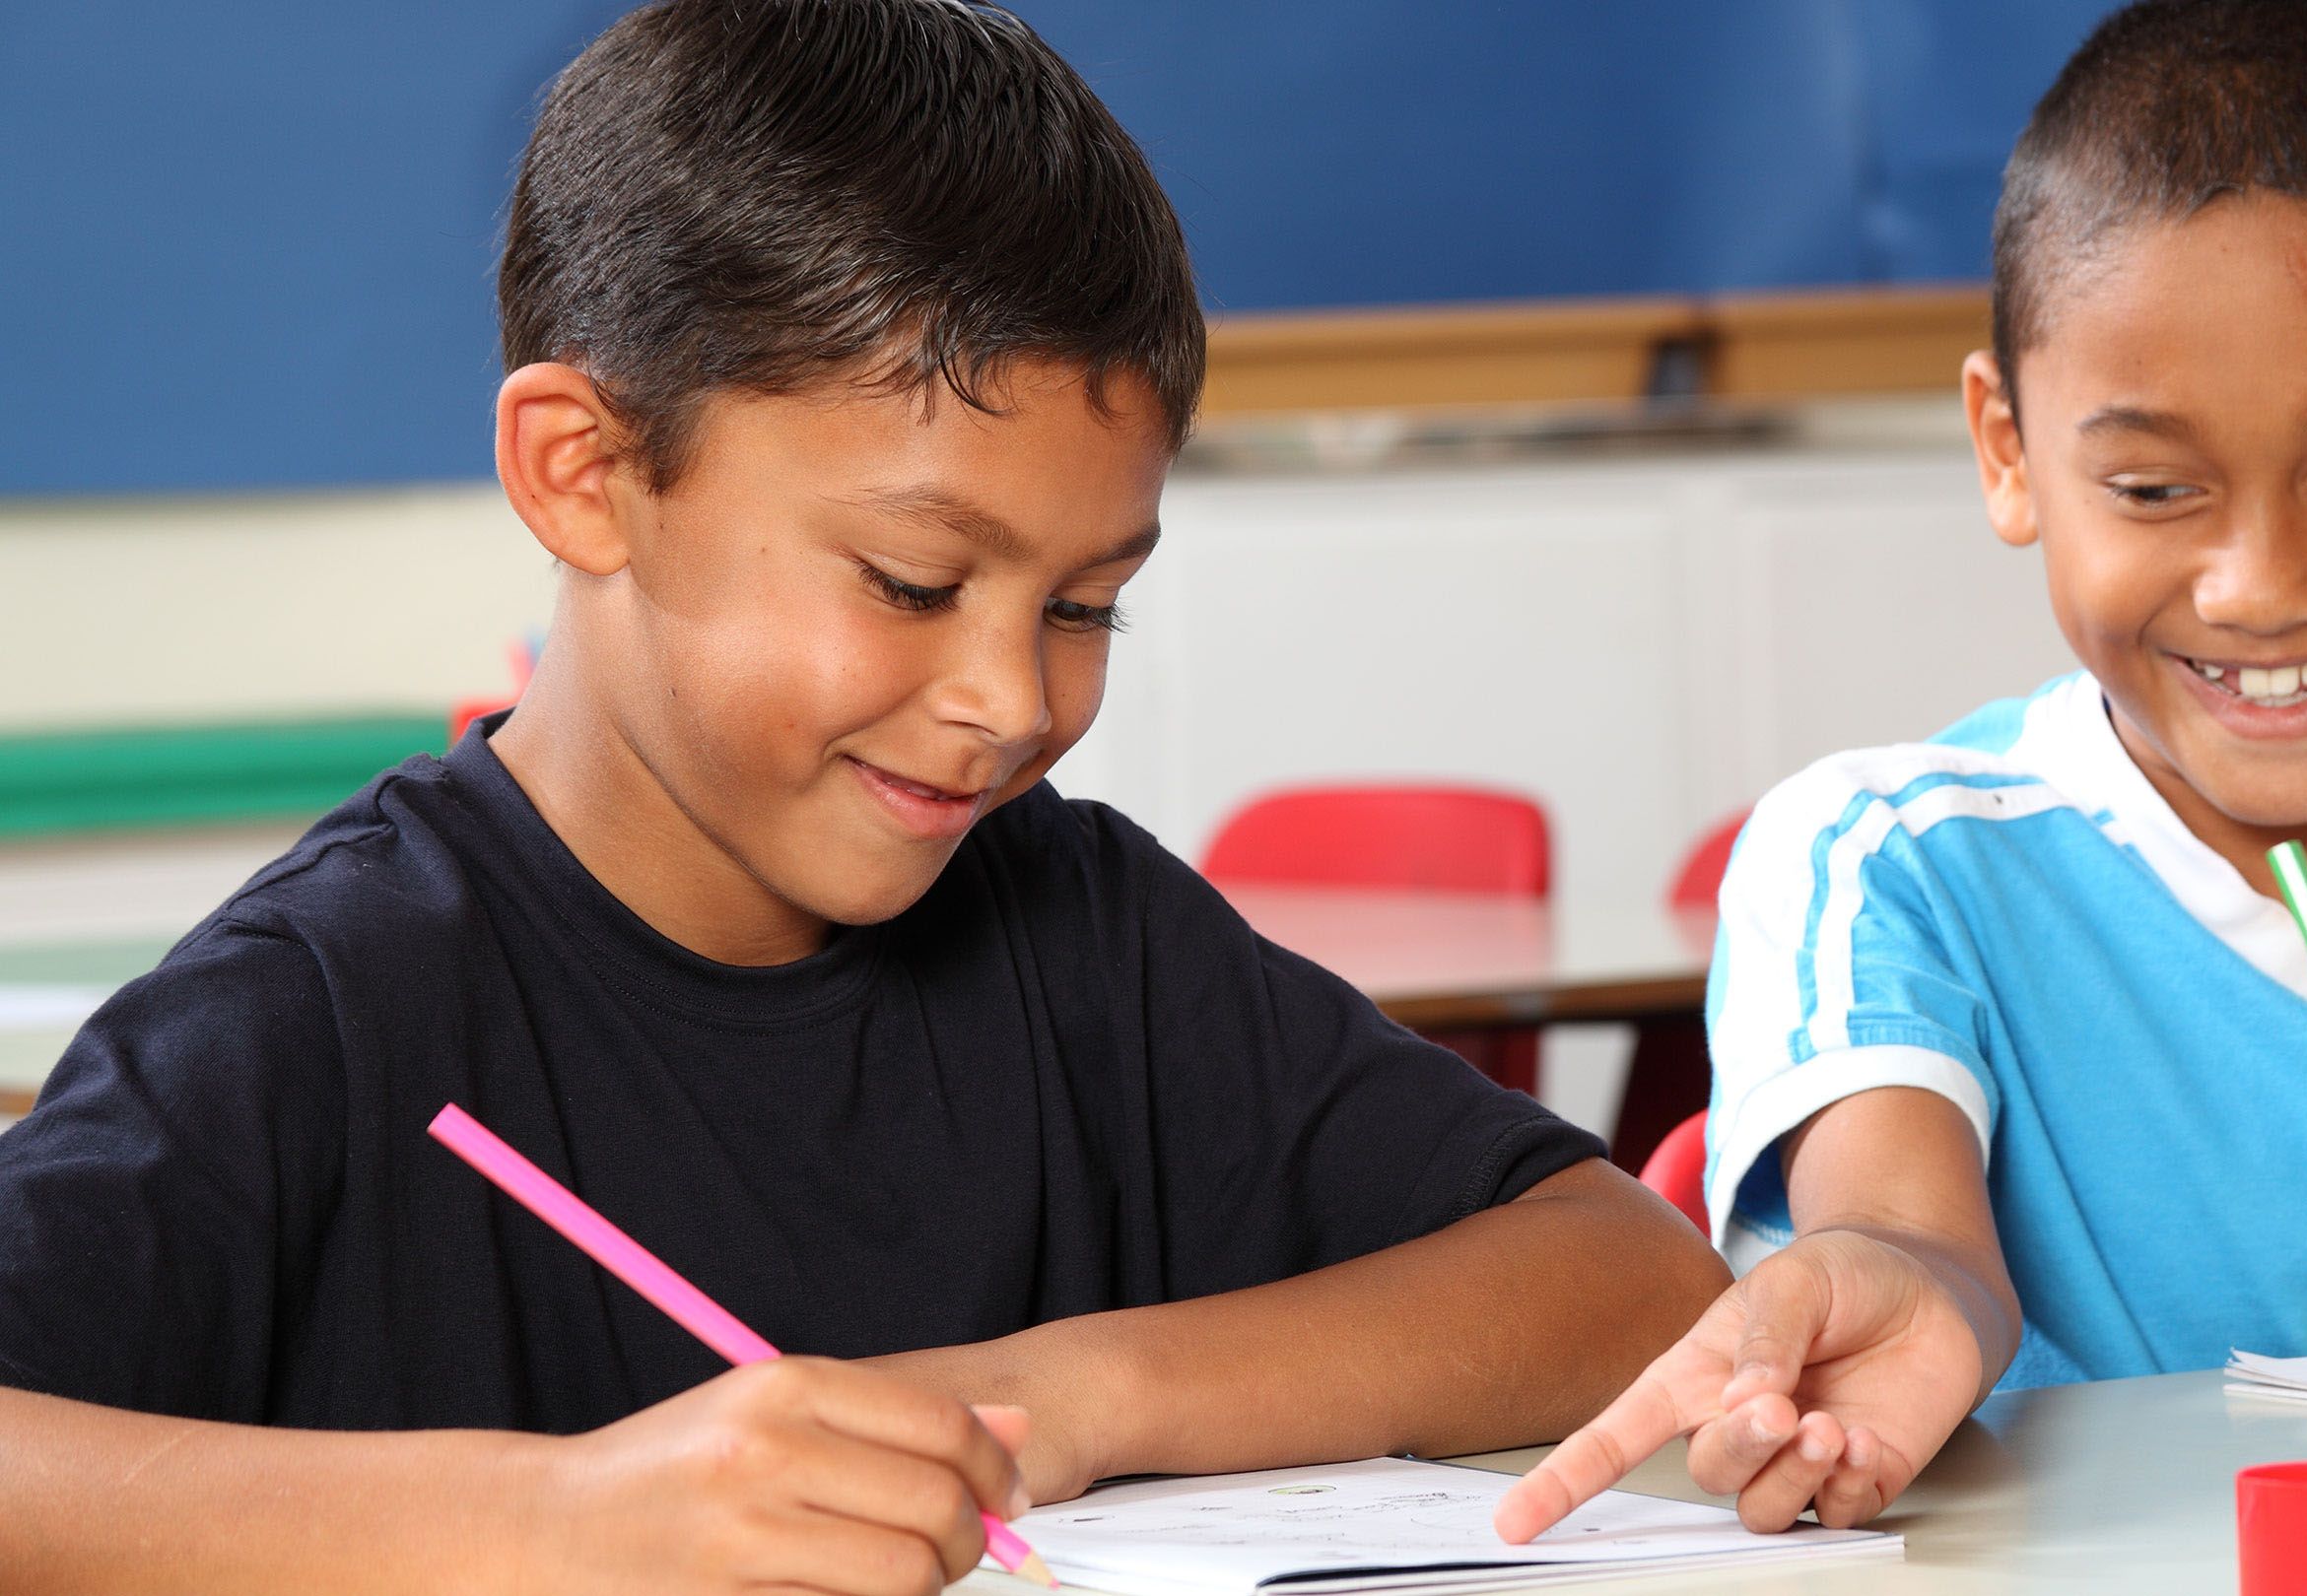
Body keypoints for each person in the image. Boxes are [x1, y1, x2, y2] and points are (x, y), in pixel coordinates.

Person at [0, 5, 1729, 1589]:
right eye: (911, 582)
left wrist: (1047, 1399)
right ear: (585, 476)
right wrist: (558, 1520)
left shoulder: (1086, 938)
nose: (1010, 703)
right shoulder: (323, 1009)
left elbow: (1631, 1280)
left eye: (1082, 605)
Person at [1499, 0, 2307, 1543]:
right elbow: (1903, 1229)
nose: (2260, 583)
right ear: (2008, 452)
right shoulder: (1888, 859)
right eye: (2151, 487)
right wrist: (1897, 1282)